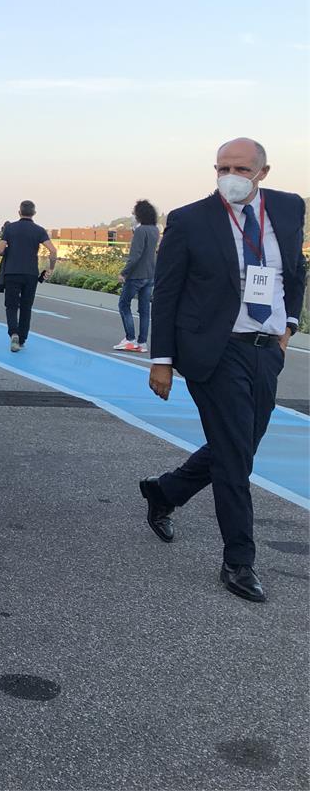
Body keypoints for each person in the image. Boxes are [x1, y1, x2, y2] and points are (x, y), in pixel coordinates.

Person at [141, 138, 305, 604]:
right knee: (235, 456)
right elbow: (167, 292)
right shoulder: (190, 219)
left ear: (263, 172)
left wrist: (289, 324)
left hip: (265, 348)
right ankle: (239, 561)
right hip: (213, 351)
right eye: (221, 167)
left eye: (240, 168)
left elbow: (296, 268)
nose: (229, 175)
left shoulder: (290, 209)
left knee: (241, 441)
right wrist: (162, 361)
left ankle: (165, 491)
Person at [0, 200, 58, 352]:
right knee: (26, 307)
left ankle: (14, 333)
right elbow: (53, 251)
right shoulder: (39, 230)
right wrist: (50, 268)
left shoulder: (10, 228)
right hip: (30, 273)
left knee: (11, 306)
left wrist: (9, 248)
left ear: (19, 212)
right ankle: (22, 338)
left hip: (11, 272)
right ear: (34, 213)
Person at [113, 199, 160, 353]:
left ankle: (130, 339)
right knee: (144, 309)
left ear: (140, 214)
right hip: (150, 274)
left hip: (136, 275)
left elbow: (135, 255)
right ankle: (142, 343)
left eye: (134, 211)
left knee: (123, 305)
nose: (132, 214)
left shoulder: (140, 231)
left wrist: (124, 272)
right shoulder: (155, 230)